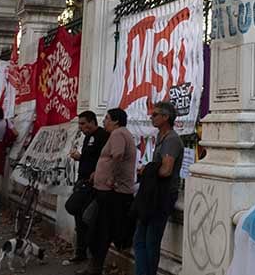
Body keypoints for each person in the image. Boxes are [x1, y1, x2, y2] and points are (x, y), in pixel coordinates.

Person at [82, 109, 135, 275]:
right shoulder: (120, 133)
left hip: (112, 191)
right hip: (106, 189)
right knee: (95, 227)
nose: (104, 121)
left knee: (99, 230)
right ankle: (94, 266)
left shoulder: (118, 134)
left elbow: (117, 156)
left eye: (107, 118)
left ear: (116, 121)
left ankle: (95, 268)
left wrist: (111, 178)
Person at [133, 101, 184, 275]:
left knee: (150, 241)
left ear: (165, 117)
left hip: (162, 196)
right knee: (141, 239)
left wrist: (147, 169)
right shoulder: (162, 138)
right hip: (153, 195)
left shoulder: (171, 140)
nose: (151, 117)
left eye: (155, 114)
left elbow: (165, 170)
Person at [68, 111, 109, 263]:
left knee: (84, 216)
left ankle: (91, 255)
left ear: (93, 122)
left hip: (92, 184)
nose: (81, 127)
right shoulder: (87, 138)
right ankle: (80, 252)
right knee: (78, 217)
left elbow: (103, 159)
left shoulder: (102, 136)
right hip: (82, 180)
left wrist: (81, 157)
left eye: (84, 123)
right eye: (80, 124)